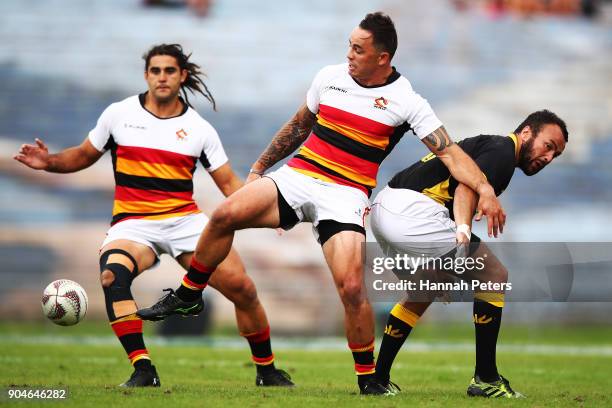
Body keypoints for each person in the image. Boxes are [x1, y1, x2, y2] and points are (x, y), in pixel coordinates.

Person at [138, 13, 506, 395]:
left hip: (346, 193)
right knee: (225, 214)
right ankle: (188, 294)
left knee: (350, 287)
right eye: (349, 45)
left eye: (358, 49)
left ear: (383, 58)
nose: (349, 54)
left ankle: (368, 379)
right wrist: (260, 168)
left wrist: (485, 189)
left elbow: (451, 154)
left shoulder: (407, 100)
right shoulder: (329, 76)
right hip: (297, 177)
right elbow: (298, 125)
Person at [13, 44, 293, 388]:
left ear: (182, 76)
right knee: (112, 277)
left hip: (185, 222)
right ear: (146, 75)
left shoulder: (199, 129)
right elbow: (83, 156)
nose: (162, 77)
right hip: (133, 225)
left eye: (170, 71)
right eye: (156, 71)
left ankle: (267, 371)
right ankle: (143, 369)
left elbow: (230, 184)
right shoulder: (119, 114)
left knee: (243, 289)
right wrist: (50, 161)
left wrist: (271, 211)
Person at [370, 110, 568, 398]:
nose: (548, 157)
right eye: (548, 146)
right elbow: (466, 187)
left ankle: (378, 378)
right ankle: (486, 378)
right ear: (526, 133)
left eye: (555, 155)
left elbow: (462, 183)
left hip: (385, 207)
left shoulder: (491, 147)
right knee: (494, 275)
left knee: (425, 290)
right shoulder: (502, 151)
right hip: (411, 211)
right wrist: (462, 230)